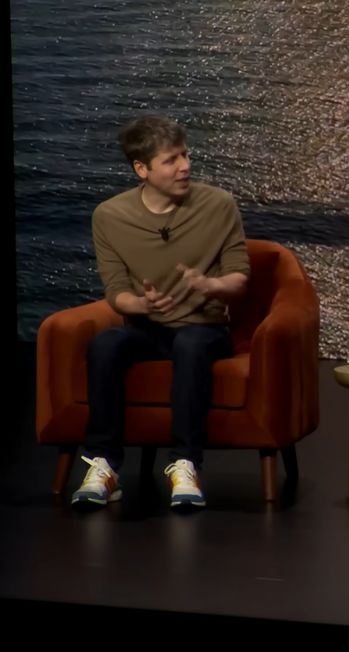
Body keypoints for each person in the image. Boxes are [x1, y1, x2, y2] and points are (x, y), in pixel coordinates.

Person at [70, 114, 250, 511]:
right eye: (171, 160)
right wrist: (142, 304)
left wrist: (211, 285)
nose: (185, 166)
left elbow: (239, 278)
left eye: (185, 155)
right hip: (148, 329)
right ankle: (104, 465)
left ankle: (185, 465)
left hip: (205, 329)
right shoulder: (110, 216)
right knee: (106, 344)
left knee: (190, 343)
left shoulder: (218, 204)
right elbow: (116, 292)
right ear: (142, 169)